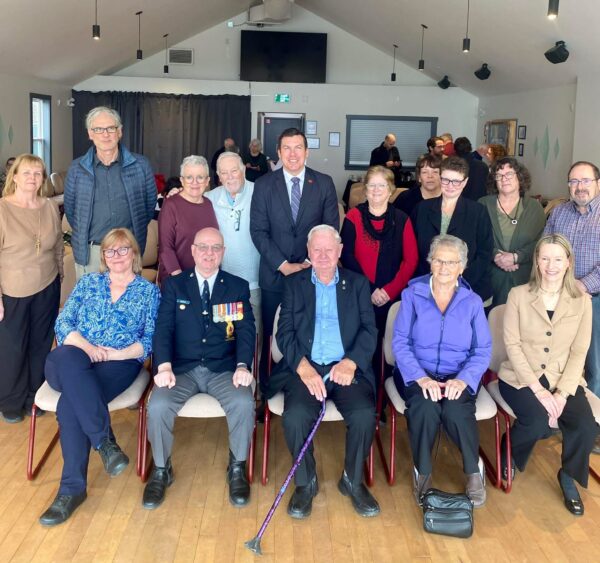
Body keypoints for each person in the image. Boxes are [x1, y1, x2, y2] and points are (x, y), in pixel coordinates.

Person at [38, 228, 160, 526]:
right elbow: (63, 322)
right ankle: (104, 441)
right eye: (110, 251)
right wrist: (89, 348)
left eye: (123, 249)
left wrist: (115, 355)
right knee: (69, 360)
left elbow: (149, 340)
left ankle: (71, 490)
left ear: (134, 253)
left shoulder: (148, 292)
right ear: (103, 256)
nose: (117, 256)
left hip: (118, 364)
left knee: (70, 404)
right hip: (72, 357)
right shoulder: (88, 283)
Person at [268, 225, 380, 519]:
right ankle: (306, 482)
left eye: (329, 249)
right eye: (316, 250)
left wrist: (351, 362)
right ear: (308, 252)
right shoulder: (294, 284)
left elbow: (369, 330)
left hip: (344, 368)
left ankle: (352, 480)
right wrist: (303, 368)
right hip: (307, 368)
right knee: (294, 417)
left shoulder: (357, 284)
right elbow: (285, 332)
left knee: (364, 415)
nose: (323, 255)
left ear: (339, 251)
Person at [144, 228, 256, 509]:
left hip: (223, 369)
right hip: (181, 370)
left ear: (223, 252)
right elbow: (163, 329)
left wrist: (243, 365)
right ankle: (161, 469)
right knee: (158, 405)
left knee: (243, 402)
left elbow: (246, 331)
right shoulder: (175, 285)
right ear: (193, 251)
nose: (209, 253)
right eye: (203, 247)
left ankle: (237, 467)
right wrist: (164, 366)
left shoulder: (237, 287)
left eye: (216, 248)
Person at [498, 234, 599, 516]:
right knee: (537, 423)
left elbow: (579, 351)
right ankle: (509, 447)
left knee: (586, 426)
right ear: (537, 261)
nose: (551, 265)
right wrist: (539, 391)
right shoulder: (518, 295)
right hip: (521, 377)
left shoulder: (582, 301)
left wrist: (562, 394)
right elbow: (512, 346)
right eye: (544, 258)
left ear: (568, 262)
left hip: (562, 378)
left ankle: (568, 475)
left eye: (557, 259)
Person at [392, 235, 492, 507]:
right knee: (425, 408)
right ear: (430, 262)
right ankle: (422, 471)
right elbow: (400, 342)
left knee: (455, 411)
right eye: (438, 260)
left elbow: (482, 349)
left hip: (458, 374)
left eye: (451, 262)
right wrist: (421, 377)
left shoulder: (472, 302)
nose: (444, 267)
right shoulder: (412, 295)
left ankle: (473, 470)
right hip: (418, 372)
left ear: (462, 267)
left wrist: (464, 379)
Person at [250, 127, 339, 395]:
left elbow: (330, 229)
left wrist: (311, 262)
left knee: (307, 332)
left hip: (313, 274)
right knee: (272, 336)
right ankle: (267, 392)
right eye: (286, 148)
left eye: (298, 147)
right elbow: (258, 231)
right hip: (274, 275)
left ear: (307, 152)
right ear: (278, 153)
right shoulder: (264, 185)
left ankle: (304, 388)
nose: (292, 154)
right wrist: (283, 265)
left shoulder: (323, 183)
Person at [340, 165, 418, 396]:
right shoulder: (353, 216)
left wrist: (388, 291)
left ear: (391, 189)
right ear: (365, 189)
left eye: (381, 185)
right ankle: (360, 394)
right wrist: (370, 290)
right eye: (371, 185)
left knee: (386, 348)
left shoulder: (402, 219)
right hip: (359, 295)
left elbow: (411, 260)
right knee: (359, 344)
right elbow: (346, 255)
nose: (376, 190)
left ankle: (383, 398)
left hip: (390, 298)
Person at [0, 154, 63, 423]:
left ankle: (34, 396)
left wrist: (60, 275)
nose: (32, 178)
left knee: (40, 344)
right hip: (12, 290)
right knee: (13, 348)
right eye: (26, 172)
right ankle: (10, 401)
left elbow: (58, 245)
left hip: (47, 284)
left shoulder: (49, 206)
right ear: (14, 177)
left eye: (38, 173)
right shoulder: (2, 209)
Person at [64, 106, 156, 280]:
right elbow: (70, 211)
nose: (105, 134)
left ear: (119, 132)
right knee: (91, 298)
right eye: (98, 129)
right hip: (91, 252)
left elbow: (149, 207)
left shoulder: (141, 165)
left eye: (111, 128)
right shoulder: (77, 168)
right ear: (90, 134)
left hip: (128, 251)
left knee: (128, 297)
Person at [545, 161, 600, 399]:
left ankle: (593, 414)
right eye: (574, 181)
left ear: (598, 183)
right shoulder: (559, 212)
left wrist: (582, 284)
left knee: (595, 365)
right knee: (558, 359)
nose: (580, 186)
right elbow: (545, 250)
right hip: (558, 299)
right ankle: (562, 408)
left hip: (595, 301)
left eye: (585, 180)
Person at [411, 156, 494, 302]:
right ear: (440, 178)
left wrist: (457, 284)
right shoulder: (422, 209)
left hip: (468, 287)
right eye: (446, 180)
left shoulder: (478, 212)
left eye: (456, 181)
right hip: (427, 287)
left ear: (465, 182)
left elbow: (484, 253)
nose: (450, 185)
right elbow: (413, 250)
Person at [205, 152, 261, 330]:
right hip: (224, 283)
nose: (229, 177)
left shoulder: (259, 192)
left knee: (254, 332)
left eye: (234, 171)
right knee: (228, 333)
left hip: (254, 281)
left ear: (243, 170)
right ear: (219, 176)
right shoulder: (210, 198)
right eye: (224, 173)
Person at [479, 157, 545, 306]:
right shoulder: (483, 204)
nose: (504, 179)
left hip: (524, 279)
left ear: (519, 177)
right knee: (492, 318)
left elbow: (541, 241)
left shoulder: (534, 207)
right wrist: (496, 256)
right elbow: (476, 239)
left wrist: (516, 257)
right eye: (499, 175)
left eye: (509, 174)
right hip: (490, 278)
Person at [158, 155, 218, 284]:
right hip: (177, 280)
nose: (194, 182)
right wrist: (181, 281)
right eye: (189, 177)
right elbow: (166, 248)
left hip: (205, 280)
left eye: (200, 177)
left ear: (207, 181)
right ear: (182, 180)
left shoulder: (209, 204)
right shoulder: (171, 205)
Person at [453, 137, 489, 201]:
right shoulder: (483, 166)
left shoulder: (455, 167)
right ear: (470, 147)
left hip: (461, 202)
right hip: (480, 202)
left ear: (455, 150)